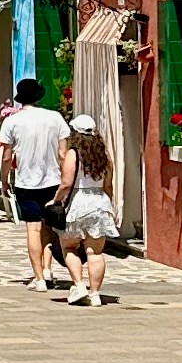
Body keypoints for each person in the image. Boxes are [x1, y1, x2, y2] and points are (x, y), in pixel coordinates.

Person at [0, 75, 72, 287]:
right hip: (53, 180)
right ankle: (47, 270)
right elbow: (63, 153)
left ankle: (39, 278)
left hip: (26, 182)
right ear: (38, 97)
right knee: (49, 227)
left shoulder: (12, 121)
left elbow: (6, 156)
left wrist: (4, 181)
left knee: (33, 229)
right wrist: (67, 179)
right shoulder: (55, 118)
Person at [60, 115, 121, 305]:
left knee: (69, 247)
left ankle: (79, 285)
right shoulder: (104, 155)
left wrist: (55, 200)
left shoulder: (73, 154)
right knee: (95, 252)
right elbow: (108, 184)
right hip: (99, 203)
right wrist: (108, 203)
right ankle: (95, 294)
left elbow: (66, 183)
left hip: (78, 202)